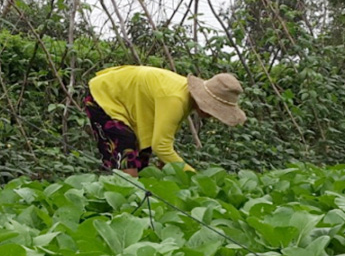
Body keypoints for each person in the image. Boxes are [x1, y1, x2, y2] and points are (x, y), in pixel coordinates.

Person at [83, 65, 246, 176]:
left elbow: (161, 139)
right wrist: (194, 177)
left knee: (142, 160)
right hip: (104, 96)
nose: (213, 115)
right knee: (127, 153)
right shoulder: (175, 99)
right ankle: (124, 204)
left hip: (127, 105)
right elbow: (161, 146)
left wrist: (167, 167)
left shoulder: (185, 99)